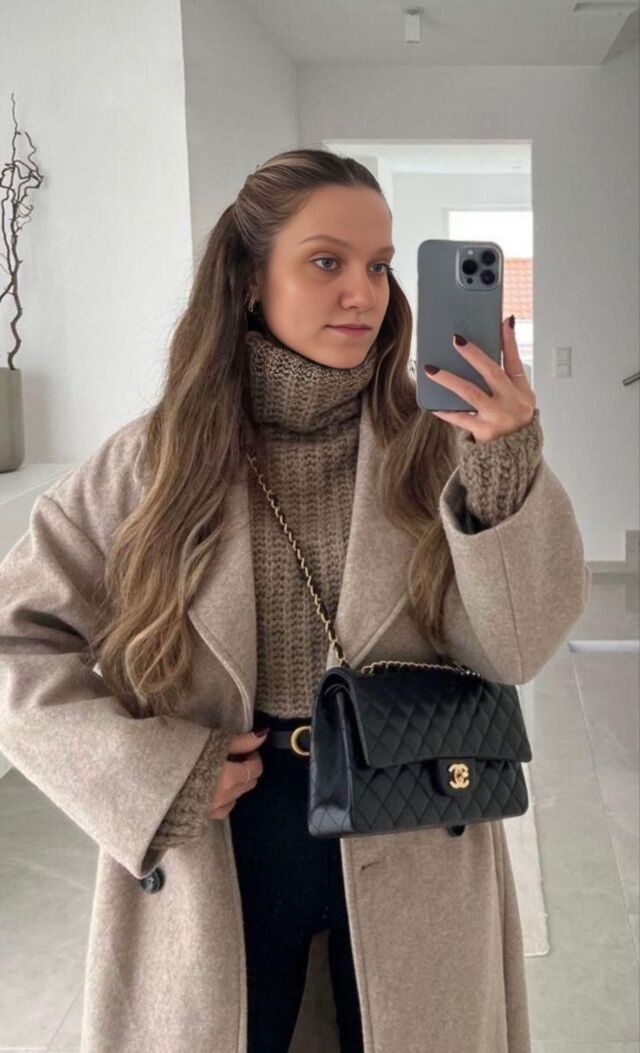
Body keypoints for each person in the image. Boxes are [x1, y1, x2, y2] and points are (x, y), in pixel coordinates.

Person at [0, 148, 590, 1053]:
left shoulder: (439, 448)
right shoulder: (153, 463)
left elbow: (517, 647)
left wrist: (505, 465)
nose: (364, 293)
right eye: (326, 261)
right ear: (249, 277)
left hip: (412, 827)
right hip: (217, 843)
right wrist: (153, 774)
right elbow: (16, 637)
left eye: (380, 266)